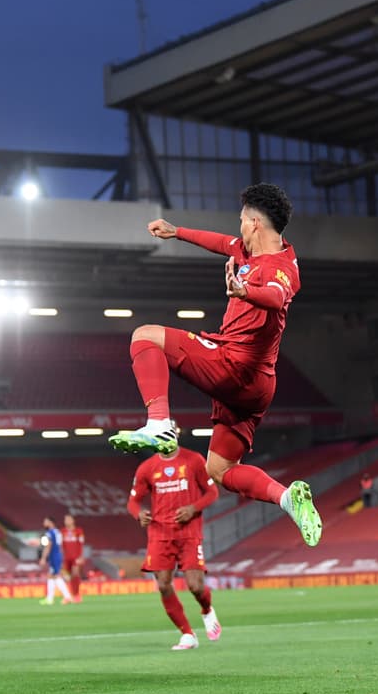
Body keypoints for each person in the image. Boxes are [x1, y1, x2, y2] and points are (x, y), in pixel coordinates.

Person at [108, 183, 322, 547]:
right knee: (220, 471)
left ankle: (159, 424)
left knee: (145, 335)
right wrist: (177, 232)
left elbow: (274, 296)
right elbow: (220, 242)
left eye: (241, 221)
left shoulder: (279, 269)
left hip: (233, 365)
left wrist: (244, 292)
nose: (237, 228)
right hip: (258, 387)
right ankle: (289, 499)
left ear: (255, 223)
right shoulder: (253, 250)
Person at [126, 424, 220, 650]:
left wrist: (193, 508)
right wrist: (139, 514)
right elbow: (133, 501)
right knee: (164, 585)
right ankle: (188, 634)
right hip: (159, 533)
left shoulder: (194, 460)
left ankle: (207, 610)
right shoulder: (147, 468)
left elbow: (212, 493)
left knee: (195, 586)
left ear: (177, 434)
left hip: (189, 532)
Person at [37, 516, 74, 606]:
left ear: (50, 522)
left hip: (54, 556)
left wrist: (43, 558)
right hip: (58, 555)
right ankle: (50, 598)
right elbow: (60, 545)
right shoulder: (58, 532)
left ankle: (67, 596)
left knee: (56, 576)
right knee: (51, 576)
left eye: (45, 521)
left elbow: (48, 546)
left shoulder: (49, 533)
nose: (44, 523)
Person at [61, 513, 86, 604]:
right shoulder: (62, 531)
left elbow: (81, 545)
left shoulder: (78, 531)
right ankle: (69, 596)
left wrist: (80, 556)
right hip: (66, 557)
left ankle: (77, 595)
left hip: (76, 557)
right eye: (65, 520)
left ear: (72, 521)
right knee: (67, 577)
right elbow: (61, 545)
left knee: (75, 575)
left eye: (68, 519)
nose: (66, 521)